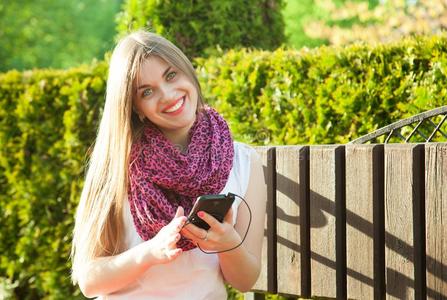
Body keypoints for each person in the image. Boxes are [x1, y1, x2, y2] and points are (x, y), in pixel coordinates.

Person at [70, 30, 267, 299]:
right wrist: (150, 253)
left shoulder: (244, 162)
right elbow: (90, 280)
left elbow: (245, 281)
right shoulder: (116, 166)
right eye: (147, 91)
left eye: (171, 75)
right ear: (135, 107)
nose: (167, 95)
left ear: (188, 72)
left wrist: (228, 243)